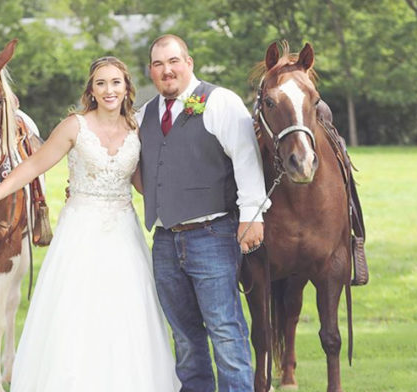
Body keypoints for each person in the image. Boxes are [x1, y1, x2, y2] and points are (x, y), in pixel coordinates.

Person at [0, 56, 180, 392]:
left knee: (126, 310)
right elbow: (35, 165)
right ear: (92, 89)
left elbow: (145, 184)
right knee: (76, 311)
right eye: (101, 83)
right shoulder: (75, 126)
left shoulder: (136, 130)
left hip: (123, 233)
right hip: (81, 231)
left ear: (127, 87)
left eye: (115, 82)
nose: (109, 90)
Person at [136, 34, 270, 391]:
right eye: (159, 64)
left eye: (174, 61)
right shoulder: (144, 114)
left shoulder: (220, 101)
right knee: (184, 336)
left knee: (225, 331)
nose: (167, 70)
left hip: (211, 236)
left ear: (189, 62)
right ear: (150, 70)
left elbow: (245, 157)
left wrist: (252, 214)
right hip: (164, 240)